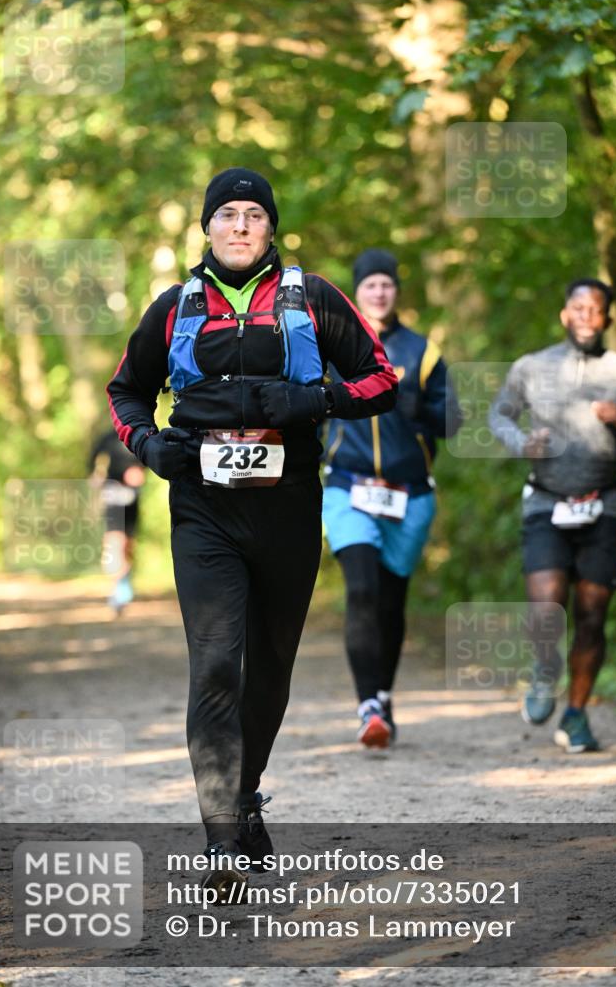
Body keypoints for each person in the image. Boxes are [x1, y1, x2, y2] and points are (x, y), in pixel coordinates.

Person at [107, 169, 397, 893]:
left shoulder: (313, 297)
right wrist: (149, 446)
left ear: (271, 229)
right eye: (226, 215)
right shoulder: (174, 307)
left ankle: (243, 794)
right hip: (203, 508)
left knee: (268, 670)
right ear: (206, 229)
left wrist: (315, 400)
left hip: (288, 503)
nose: (239, 226)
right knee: (212, 664)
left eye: (253, 215)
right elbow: (126, 393)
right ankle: (220, 843)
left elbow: (382, 379)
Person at [489, 278, 616, 752]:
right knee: (547, 603)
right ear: (564, 314)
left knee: (592, 617)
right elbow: (500, 415)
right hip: (546, 501)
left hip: (604, 506)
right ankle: (544, 668)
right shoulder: (532, 367)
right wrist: (521, 443)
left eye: (595, 309)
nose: (586, 316)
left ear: (608, 319)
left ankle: (575, 714)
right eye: (578, 307)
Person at [322, 249, 461, 748]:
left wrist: (407, 403)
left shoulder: (421, 353)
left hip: (409, 496)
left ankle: (383, 691)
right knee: (360, 589)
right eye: (370, 285)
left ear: (396, 291)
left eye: (387, 284)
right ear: (356, 291)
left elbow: (452, 421)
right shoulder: (332, 347)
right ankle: (368, 709)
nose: (379, 292)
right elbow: (309, 409)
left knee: (390, 602)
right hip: (348, 487)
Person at [89, 427, 146, 613]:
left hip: (132, 495)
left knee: (128, 543)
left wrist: (140, 471)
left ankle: (124, 581)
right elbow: (93, 457)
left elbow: (152, 456)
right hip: (113, 492)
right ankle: (118, 589)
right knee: (115, 540)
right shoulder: (108, 437)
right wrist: (94, 477)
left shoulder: (142, 432)